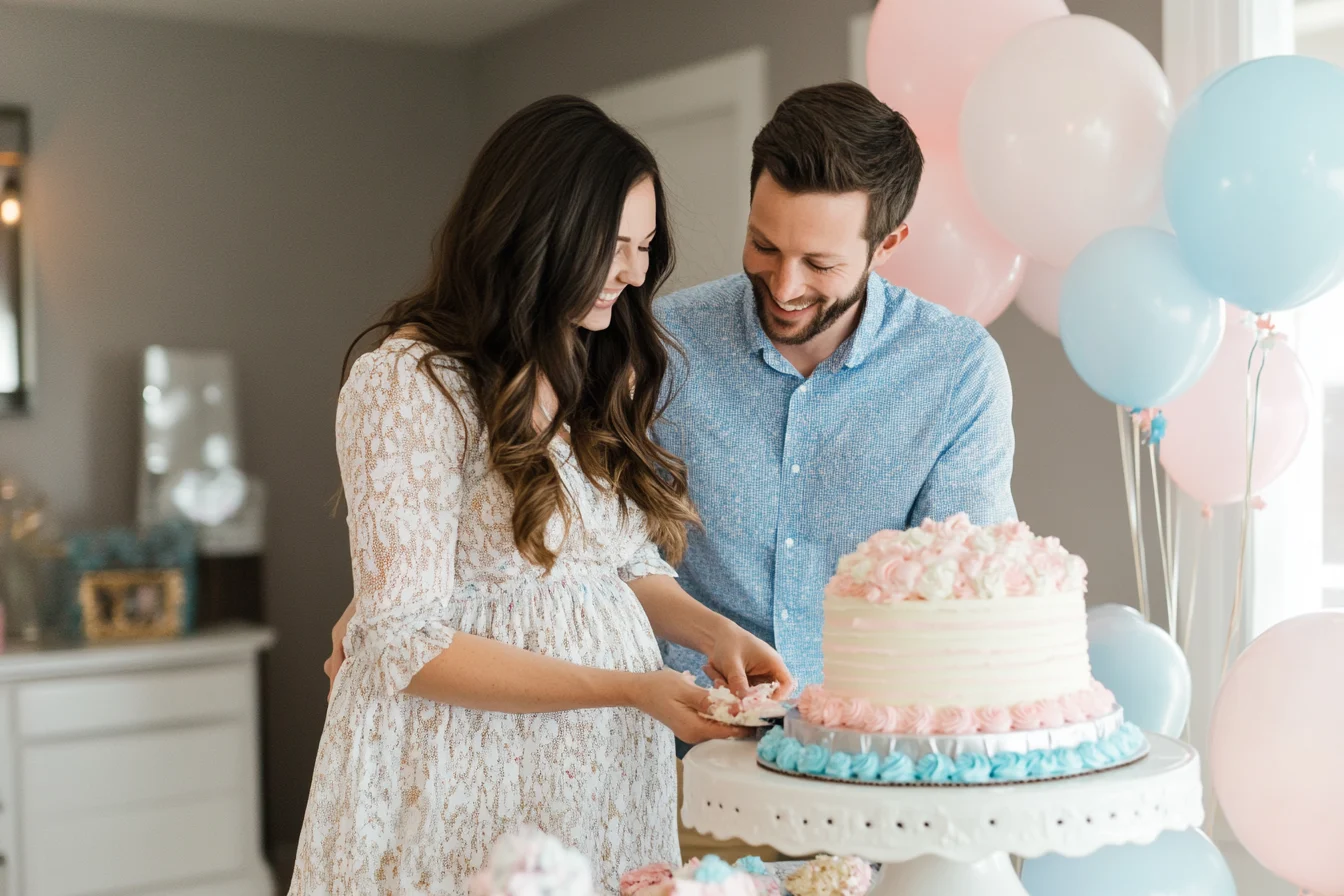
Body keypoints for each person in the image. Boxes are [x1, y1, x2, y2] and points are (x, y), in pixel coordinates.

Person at [291, 96, 792, 896]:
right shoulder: (409, 383)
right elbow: (403, 643)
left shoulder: (588, 361)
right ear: (538, 231)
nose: (634, 274)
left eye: (646, 247)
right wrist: (628, 687)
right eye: (616, 247)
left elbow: (618, 562)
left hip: (602, 772)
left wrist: (712, 631)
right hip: (463, 771)